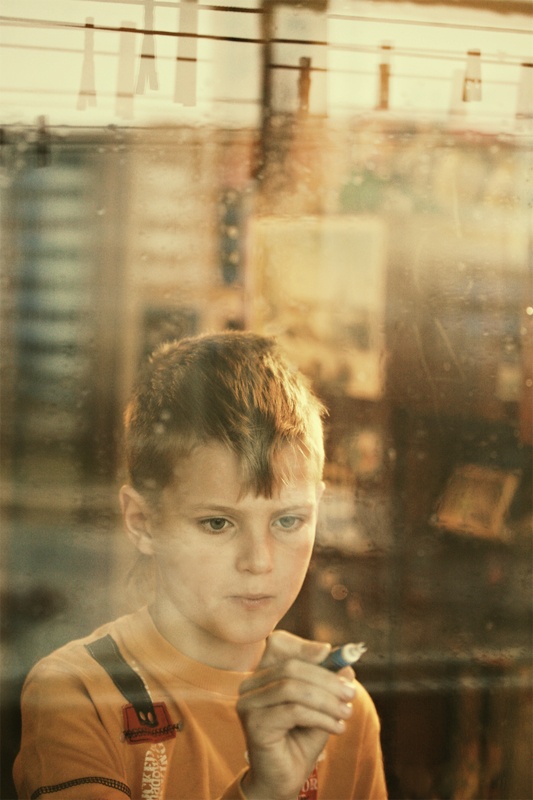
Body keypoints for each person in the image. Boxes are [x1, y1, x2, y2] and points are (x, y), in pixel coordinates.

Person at [13, 331, 387, 800]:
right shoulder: (78, 693)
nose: (259, 561)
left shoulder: (339, 710)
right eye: (217, 523)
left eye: (288, 520)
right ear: (143, 522)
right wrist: (264, 791)